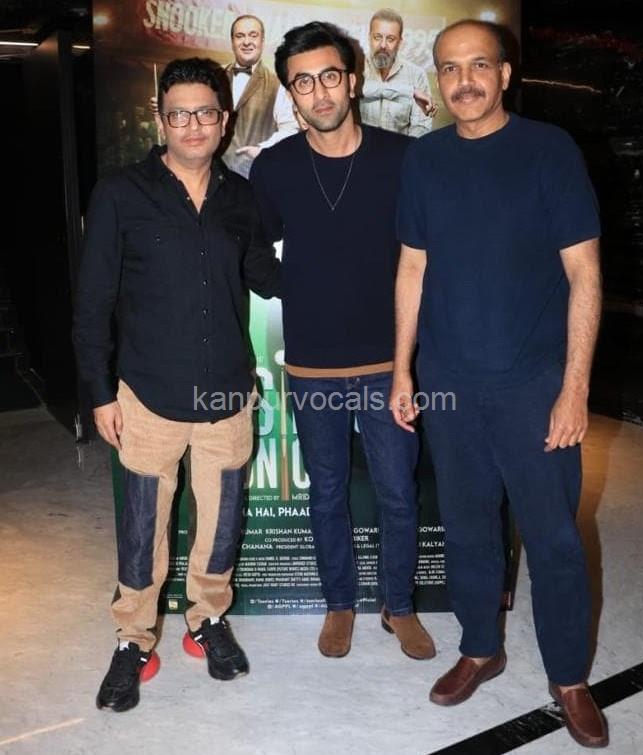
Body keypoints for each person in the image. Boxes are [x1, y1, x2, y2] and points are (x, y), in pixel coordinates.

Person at [391, 19, 608, 748]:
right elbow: (412, 267)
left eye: (478, 65)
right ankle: (480, 647)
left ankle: (569, 677)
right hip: (448, 382)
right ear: (438, 79)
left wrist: (574, 388)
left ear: (505, 73)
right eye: (450, 68)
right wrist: (401, 368)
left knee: (553, 538)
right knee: (466, 527)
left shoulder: (548, 150)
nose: (464, 81)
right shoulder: (424, 160)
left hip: (533, 384)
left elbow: (584, 273)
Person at [73, 57, 280, 712]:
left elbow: (264, 275)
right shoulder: (120, 193)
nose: (193, 124)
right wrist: (99, 392)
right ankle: (133, 637)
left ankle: (207, 618)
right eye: (179, 113)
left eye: (205, 112)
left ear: (224, 120)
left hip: (226, 394)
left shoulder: (240, 197)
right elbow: (93, 301)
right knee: (143, 528)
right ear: (161, 121)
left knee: (221, 522)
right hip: (147, 394)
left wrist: (336, 259)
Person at [249, 21, 435, 661]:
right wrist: (293, 288)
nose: (319, 92)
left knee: (397, 492)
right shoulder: (274, 168)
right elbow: (251, 249)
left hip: (390, 363)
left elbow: (426, 254)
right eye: (303, 82)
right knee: (326, 493)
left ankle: (399, 606)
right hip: (312, 364)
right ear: (291, 94)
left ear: (352, 81)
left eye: (329, 76)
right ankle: (339, 604)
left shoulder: (402, 158)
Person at [223, 14, 298, 178]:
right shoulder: (213, 76)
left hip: (251, 177)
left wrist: (262, 148)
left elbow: (291, 128)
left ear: (262, 41)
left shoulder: (278, 84)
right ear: (232, 42)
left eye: (253, 35)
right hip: (211, 174)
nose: (247, 42)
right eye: (240, 36)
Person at [359, 8, 436, 137]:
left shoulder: (417, 75)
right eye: (377, 37)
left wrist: (403, 149)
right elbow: (359, 91)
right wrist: (410, 91)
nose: (383, 45)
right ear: (369, 38)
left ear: (400, 43)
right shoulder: (354, 68)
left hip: (402, 148)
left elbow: (421, 127)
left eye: (390, 39)